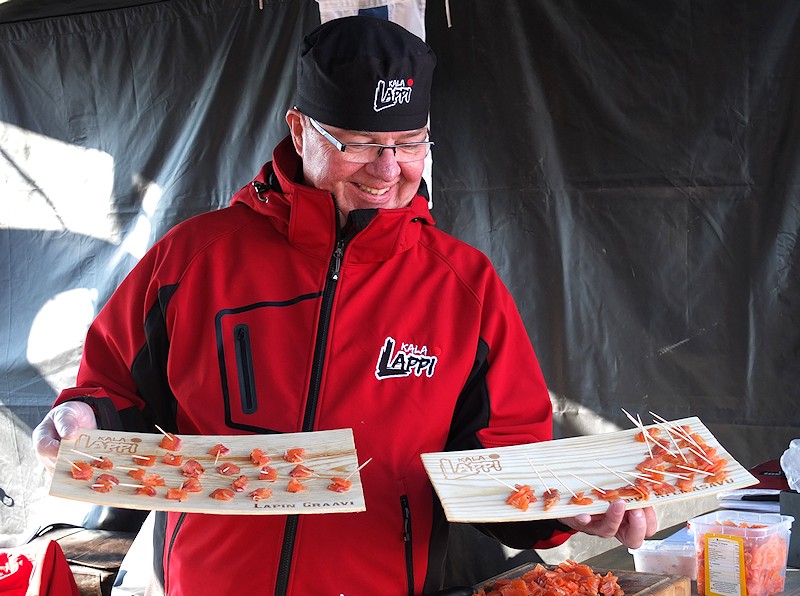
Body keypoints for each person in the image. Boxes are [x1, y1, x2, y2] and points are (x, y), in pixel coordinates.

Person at [32, 15, 657, 596]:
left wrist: (563, 508)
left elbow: (504, 456)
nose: (389, 170)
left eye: (410, 143)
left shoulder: (462, 284)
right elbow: (114, 389)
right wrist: (84, 417)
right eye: (360, 143)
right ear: (300, 129)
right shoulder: (196, 257)